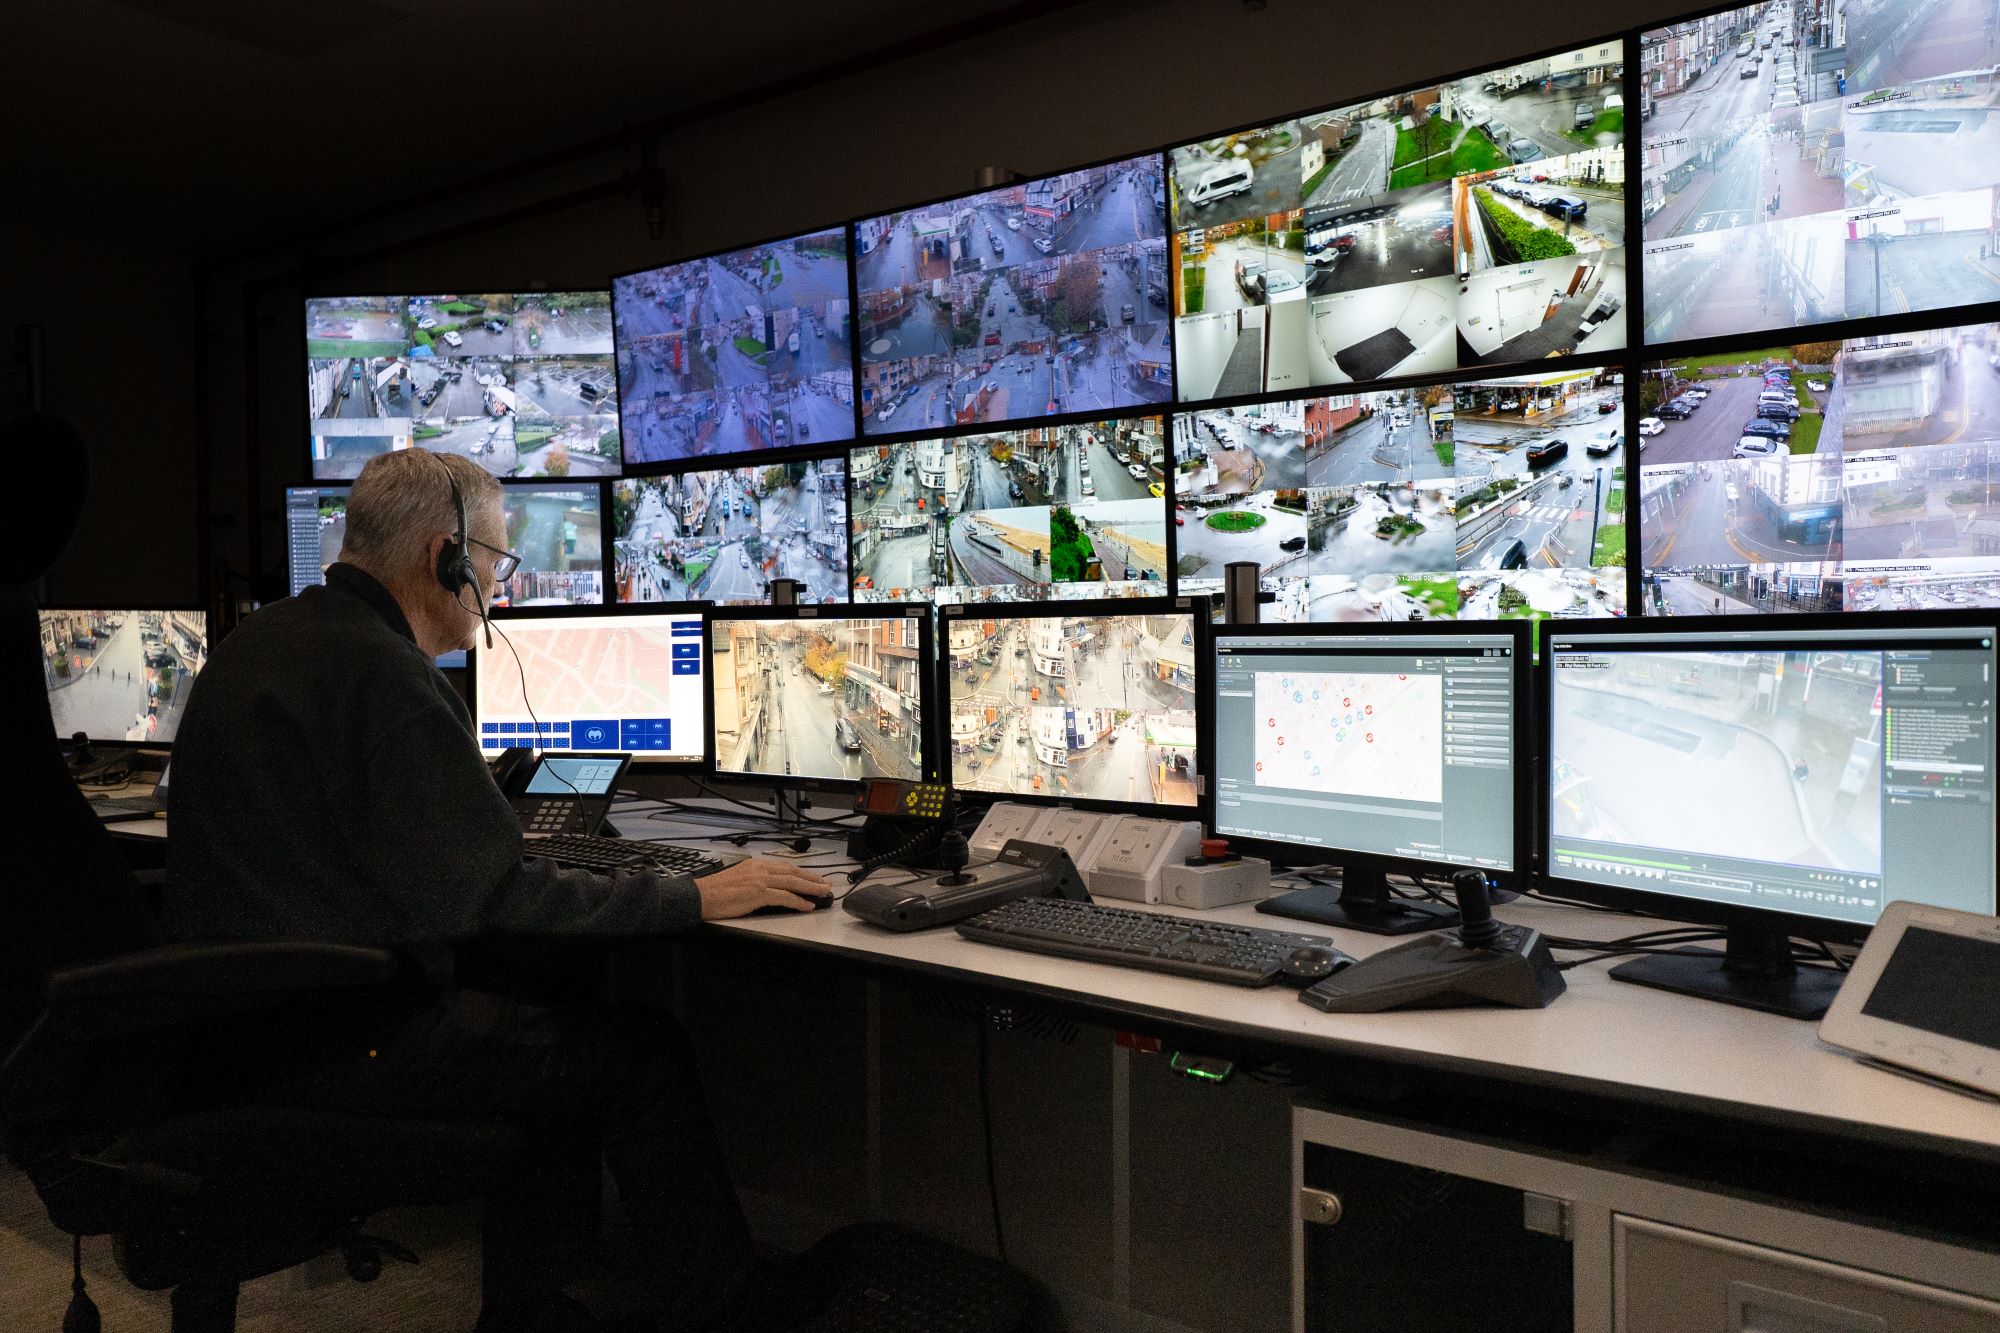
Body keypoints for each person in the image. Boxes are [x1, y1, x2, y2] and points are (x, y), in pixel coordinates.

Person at [164, 449, 831, 1333]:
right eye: (494, 561)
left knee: (545, 999)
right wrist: (698, 897)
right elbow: (499, 894)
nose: (494, 583)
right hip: (350, 1041)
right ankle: (728, 1307)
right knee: (642, 1053)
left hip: (246, 1032)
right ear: (446, 557)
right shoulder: (390, 675)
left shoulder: (261, 644)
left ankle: (531, 1304)